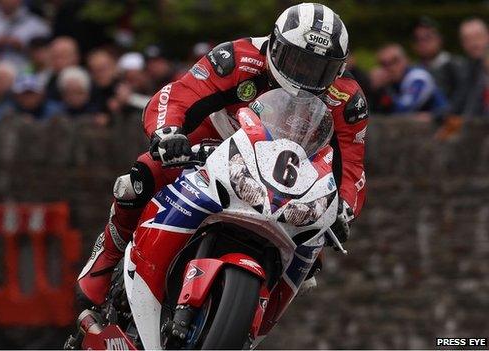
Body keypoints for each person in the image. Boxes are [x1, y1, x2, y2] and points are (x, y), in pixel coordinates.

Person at [76, 2, 368, 312]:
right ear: (275, 44)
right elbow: (179, 94)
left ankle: (254, 314)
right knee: (142, 176)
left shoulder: (347, 99)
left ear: (337, 69)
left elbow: (351, 165)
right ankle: (106, 257)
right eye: (298, 61)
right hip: (215, 139)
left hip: (288, 170)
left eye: (317, 68)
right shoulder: (237, 58)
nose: (304, 74)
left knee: (314, 249)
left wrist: (345, 208)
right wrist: (167, 133)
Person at [371, 43, 447, 117]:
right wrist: (373, 89)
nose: (391, 67)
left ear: (406, 60)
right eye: (384, 64)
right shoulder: (388, 82)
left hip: (440, 124)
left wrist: (381, 91)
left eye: (395, 61)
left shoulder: (418, 77)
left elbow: (403, 110)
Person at [412, 17, 466, 111]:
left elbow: (462, 100)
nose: (423, 43)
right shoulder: (414, 71)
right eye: (418, 39)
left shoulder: (457, 65)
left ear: (439, 39)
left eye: (427, 38)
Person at [455, 18, 489, 117]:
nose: (473, 43)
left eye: (477, 37)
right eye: (467, 39)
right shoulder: (465, 69)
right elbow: (458, 103)